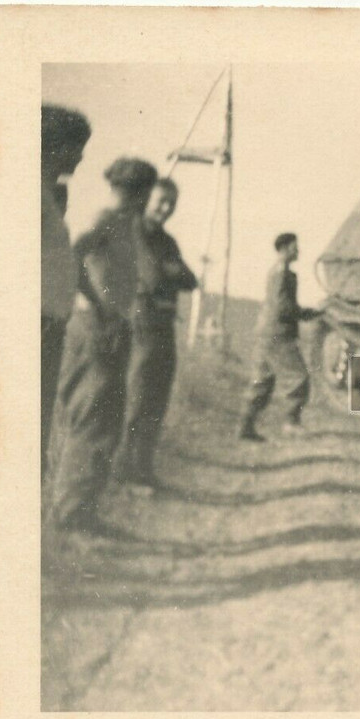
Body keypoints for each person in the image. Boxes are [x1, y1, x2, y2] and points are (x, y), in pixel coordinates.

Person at [50, 157, 157, 537]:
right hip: (95, 329)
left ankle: (83, 511)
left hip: (111, 327)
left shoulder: (125, 224)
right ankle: (70, 514)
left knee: (105, 421)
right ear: (137, 193)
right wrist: (97, 302)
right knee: (92, 418)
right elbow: (72, 257)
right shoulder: (105, 219)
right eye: (143, 194)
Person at [114, 178, 197, 491]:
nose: (166, 208)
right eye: (161, 201)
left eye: (171, 203)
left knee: (157, 399)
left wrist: (168, 272)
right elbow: (151, 276)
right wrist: (169, 272)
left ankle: (143, 469)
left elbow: (190, 279)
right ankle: (125, 471)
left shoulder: (167, 240)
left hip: (162, 326)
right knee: (138, 397)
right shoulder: (135, 232)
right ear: (146, 200)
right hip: (141, 325)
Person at [41, 105, 92, 476]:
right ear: (54, 145)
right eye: (76, 147)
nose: (81, 156)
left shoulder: (49, 194)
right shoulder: (30, 193)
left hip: (50, 322)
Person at [238, 233, 323, 441]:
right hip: (278, 335)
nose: (298, 251)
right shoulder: (281, 273)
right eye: (294, 247)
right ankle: (291, 423)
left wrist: (306, 313)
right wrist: (308, 313)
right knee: (298, 377)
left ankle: (245, 427)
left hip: (266, 333)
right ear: (284, 248)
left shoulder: (279, 272)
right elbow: (282, 307)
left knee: (262, 381)